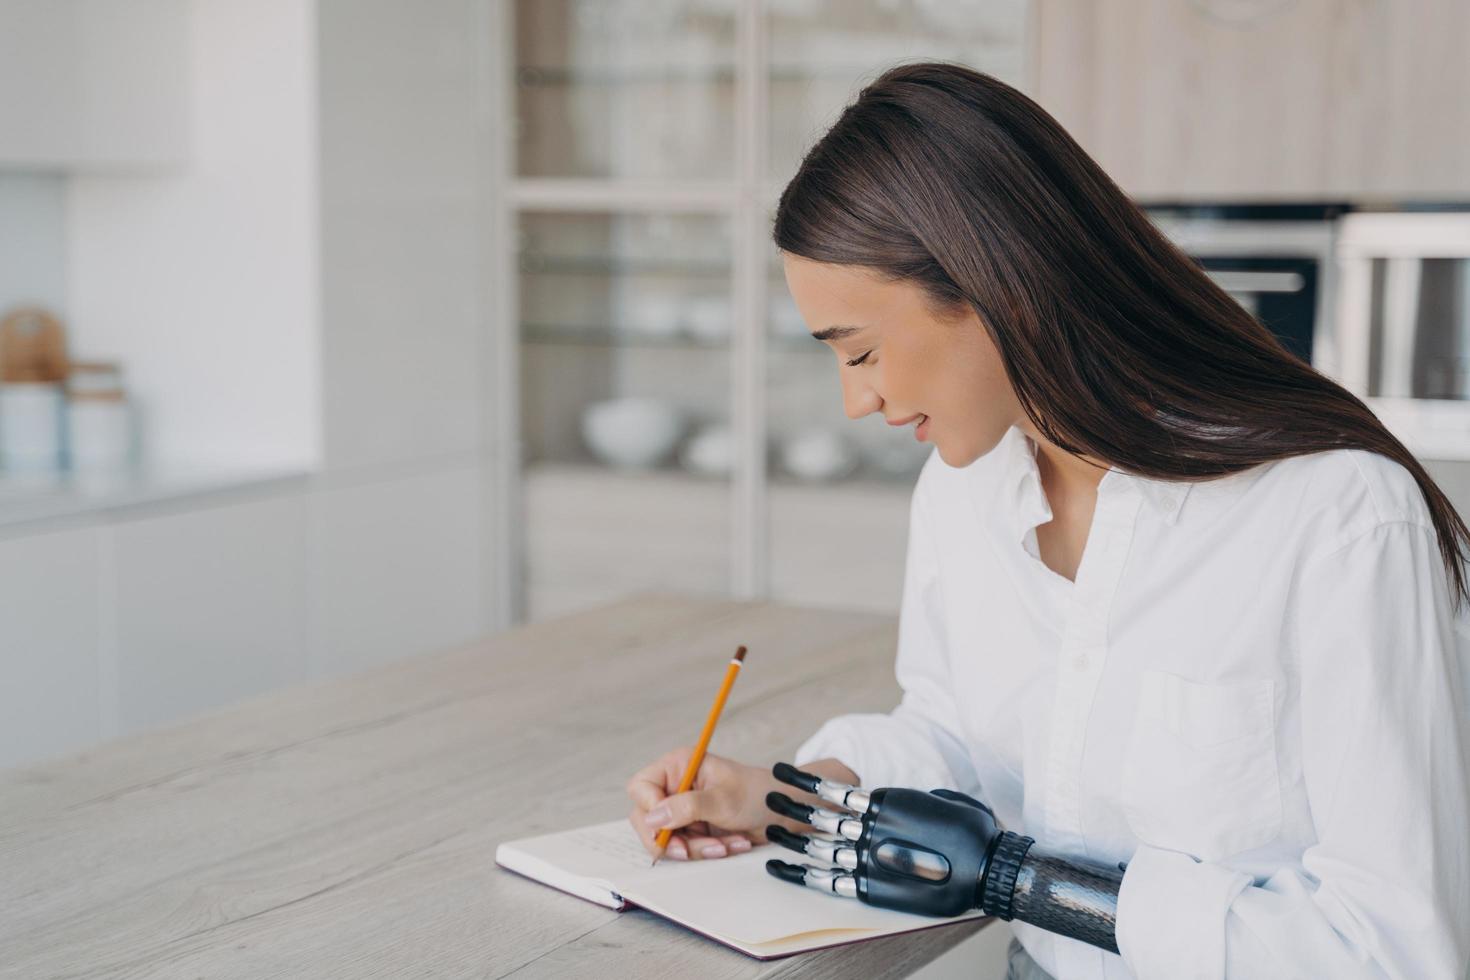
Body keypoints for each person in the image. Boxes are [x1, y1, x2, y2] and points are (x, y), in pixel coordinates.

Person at [625, 61, 1470, 979]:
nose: (855, 402)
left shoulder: (1336, 516)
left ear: (994, 288)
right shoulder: (964, 492)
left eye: (861, 351)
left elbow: (1394, 949)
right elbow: (960, 738)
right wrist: (789, 798)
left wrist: (1021, 883)